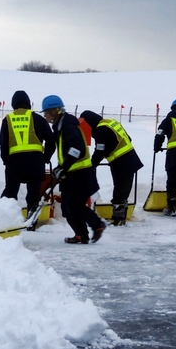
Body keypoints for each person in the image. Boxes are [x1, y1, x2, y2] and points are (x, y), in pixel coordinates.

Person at [42, 95, 106, 243]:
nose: (45, 115)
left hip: (80, 173)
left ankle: (97, 225)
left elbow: (77, 149)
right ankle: (81, 235)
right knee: (66, 207)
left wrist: (63, 167)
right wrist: (61, 168)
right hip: (71, 172)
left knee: (74, 205)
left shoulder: (68, 126)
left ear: (55, 111)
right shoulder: (61, 125)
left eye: (46, 112)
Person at [80, 110, 144, 226]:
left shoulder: (100, 130)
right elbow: (128, 138)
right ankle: (120, 218)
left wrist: (90, 165)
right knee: (123, 190)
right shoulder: (111, 122)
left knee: (120, 190)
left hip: (121, 162)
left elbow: (99, 152)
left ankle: (118, 219)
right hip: (131, 158)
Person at [0, 90, 55, 220]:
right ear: (28, 103)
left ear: (14, 104)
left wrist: (5, 160)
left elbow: (3, 144)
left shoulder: (8, 119)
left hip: (14, 162)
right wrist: (46, 157)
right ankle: (32, 220)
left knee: (10, 192)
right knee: (34, 194)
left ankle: (5, 220)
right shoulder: (39, 119)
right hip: (35, 162)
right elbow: (51, 140)